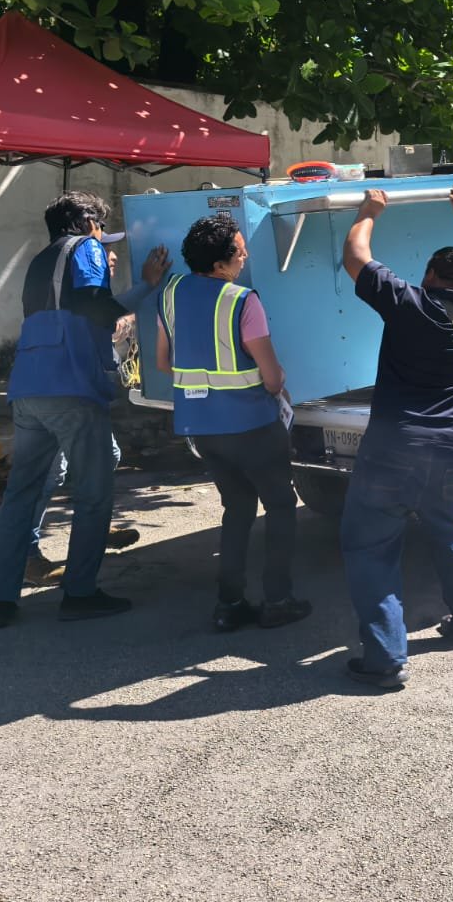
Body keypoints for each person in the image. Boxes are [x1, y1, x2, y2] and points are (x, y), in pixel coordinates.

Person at [340, 184, 453, 689]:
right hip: (452, 446)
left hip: (394, 446)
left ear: (430, 276)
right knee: (451, 527)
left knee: (371, 544)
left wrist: (370, 209)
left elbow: (355, 255)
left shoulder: (408, 301)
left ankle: (386, 657)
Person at [0, 191, 135, 628]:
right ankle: (80, 593)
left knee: (20, 496)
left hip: (29, 388)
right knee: (94, 493)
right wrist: (139, 290)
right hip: (72, 389)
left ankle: (1, 603)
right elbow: (91, 302)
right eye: (102, 229)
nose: (104, 241)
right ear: (89, 222)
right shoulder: (84, 247)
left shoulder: (40, 260)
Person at [155, 213, 311, 632]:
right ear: (222, 263)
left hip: (201, 428)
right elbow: (273, 377)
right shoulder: (242, 300)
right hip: (253, 425)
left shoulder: (170, 293)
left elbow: (163, 362)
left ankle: (229, 605)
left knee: (236, 507)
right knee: (279, 505)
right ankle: (277, 600)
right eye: (241, 251)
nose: (245, 257)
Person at [24, 235, 172, 587]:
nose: (112, 256)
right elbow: (97, 319)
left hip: (76, 387)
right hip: (64, 389)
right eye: (104, 250)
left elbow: (105, 321)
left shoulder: (73, 285)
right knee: (49, 472)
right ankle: (29, 557)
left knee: (107, 454)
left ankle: (96, 524)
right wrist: (146, 287)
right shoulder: (80, 290)